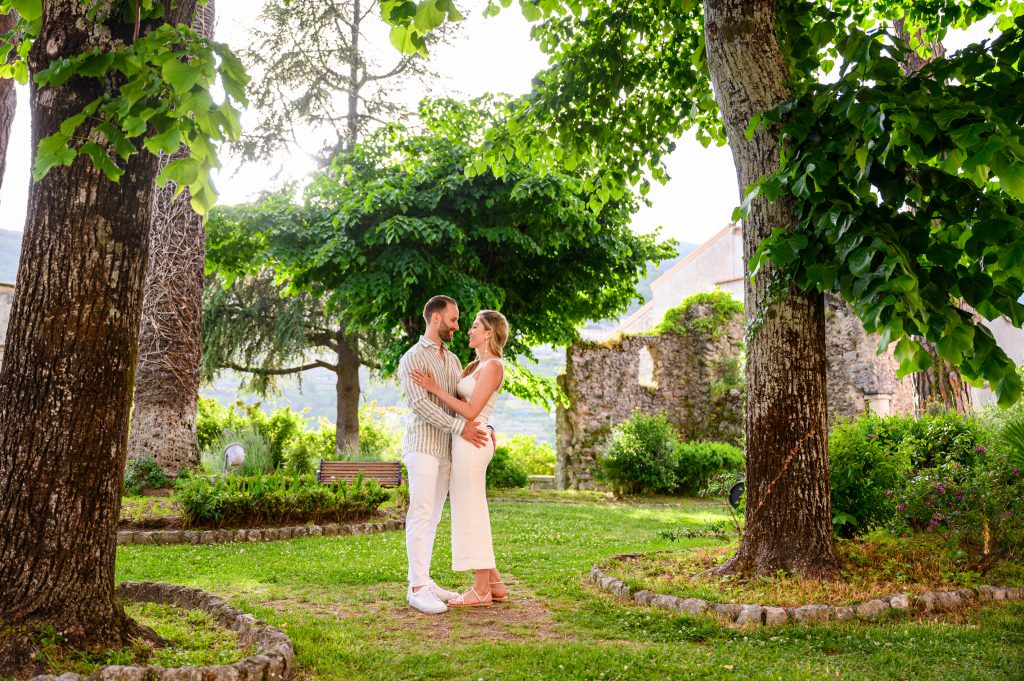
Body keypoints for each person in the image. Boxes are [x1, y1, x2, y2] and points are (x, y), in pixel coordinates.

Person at [397, 295, 492, 615]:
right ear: (435, 319)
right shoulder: (412, 359)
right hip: (422, 447)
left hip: (445, 451)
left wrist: (485, 426)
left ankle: (423, 579)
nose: (457, 326)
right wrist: (459, 428)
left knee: (433, 517)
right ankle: (417, 589)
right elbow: (420, 406)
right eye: (453, 320)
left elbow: (463, 403)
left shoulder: (452, 361)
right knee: (421, 514)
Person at [412, 309, 510, 607]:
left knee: (471, 511)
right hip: (465, 439)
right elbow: (471, 409)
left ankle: (481, 591)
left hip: (472, 442)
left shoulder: (493, 366)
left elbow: (471, 412)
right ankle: (494, 583)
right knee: (469, 507)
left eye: (475, 327)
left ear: (489, 333)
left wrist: (434, 389)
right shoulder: (473, 366)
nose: (469, 330)